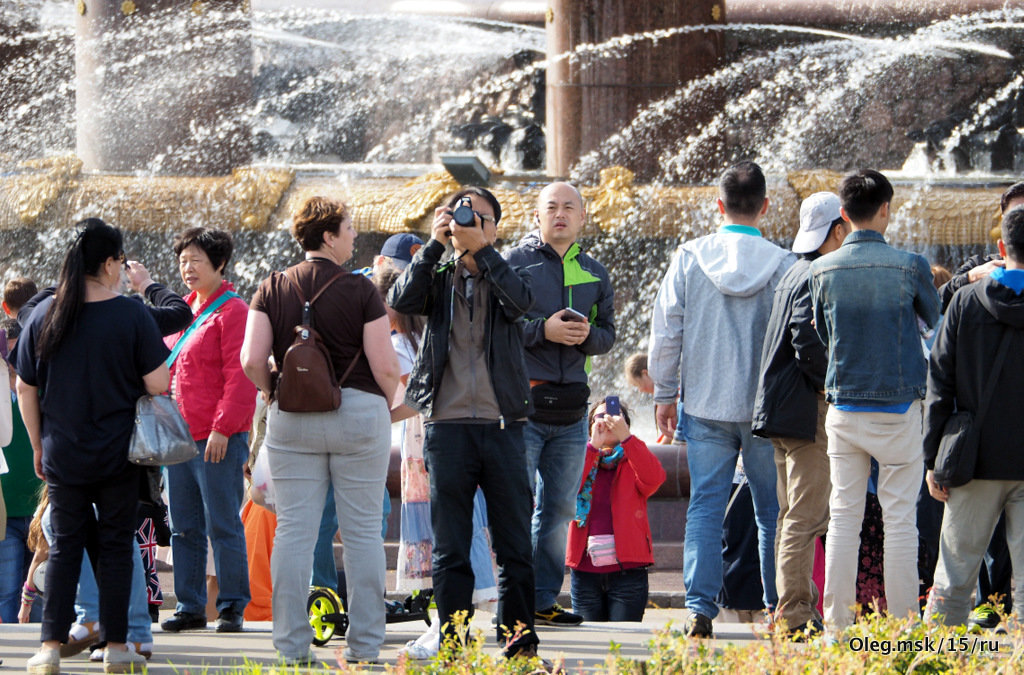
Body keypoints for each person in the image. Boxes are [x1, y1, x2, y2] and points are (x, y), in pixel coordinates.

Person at [241, 195, 399, 665]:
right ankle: (365, 648)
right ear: (328, 236)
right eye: (348, 228)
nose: (353, 235)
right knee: (364, 532)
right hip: (359, 411)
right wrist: (380, 407)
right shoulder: (361, 289)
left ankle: (291, 648)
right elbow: (386, 366)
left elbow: (251, 360)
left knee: (294, 531)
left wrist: (274, 392)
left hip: (293, 415)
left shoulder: (271, 287)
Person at [387, 187, 541, 660]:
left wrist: (484, 252)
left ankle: (518, 646)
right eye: (460, 216)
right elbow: (401, 299)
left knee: (514, 543)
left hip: (503, 426)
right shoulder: (436, 275)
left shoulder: (506, 270)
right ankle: (452, 645)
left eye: (481, 218)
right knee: (451, 548)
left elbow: (521, 305)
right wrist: (434, 245)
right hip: (447, 427)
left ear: (495, 227)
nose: (470, 223)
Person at [14, 218, 169, 675]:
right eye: (120, 261)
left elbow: (26, 386)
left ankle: (48, 647)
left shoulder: (45, 314)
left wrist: (38, 443)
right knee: (118, 546)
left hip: (63, 451)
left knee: (64, 547)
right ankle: (118, 647)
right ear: (107, 262)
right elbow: (158, 383)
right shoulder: (131, 314)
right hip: (120, 453)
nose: (122, 269)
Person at [649, 160, 793, 638]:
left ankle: (699, 608)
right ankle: (777, 606)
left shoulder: (690, 257)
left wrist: (665, 392)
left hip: (707, 403)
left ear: (719, 205)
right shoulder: (785, 264)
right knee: (772, 510)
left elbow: (667, 330)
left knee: (705, 505)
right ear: (765, 207)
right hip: (765, 409)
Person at [809, 169, 940, 635]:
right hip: (901, 409)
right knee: (901, 520)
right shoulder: (911, 266)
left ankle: (837, 630)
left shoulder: (821, 269)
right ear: (886, 209)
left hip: (844, 407)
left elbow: (824, 336)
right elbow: (935, 329)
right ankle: (903, 631)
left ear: (843, 216)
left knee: (844, 517)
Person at [503, 181, 615, 627]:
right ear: (537, 216)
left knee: (559, 511)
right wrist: (540, 331)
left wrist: (589, 337)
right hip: (524, 404)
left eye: (569, 207)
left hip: (571, 413)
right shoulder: (515, 263)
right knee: (516, 504)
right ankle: (514, 600)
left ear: (583, 217)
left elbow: (608, 335)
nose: (560, 214)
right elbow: (499, 327)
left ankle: (543, 598)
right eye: (551, 207)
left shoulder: (596, 272)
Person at [752, 192, 849, 638]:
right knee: (805, 517)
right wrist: (831, 384)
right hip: (805, 411)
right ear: (837, 230)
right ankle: (794, 615)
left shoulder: (793, 270)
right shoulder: (816, 272)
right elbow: (805, 339)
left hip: (780, 409)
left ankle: (790, 606)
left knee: (792, 512)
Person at [923, 205, 1024, 626]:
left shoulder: (964, 302)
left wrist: (933, 461)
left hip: (974, 460)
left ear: (1001, 247)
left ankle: (942, 666)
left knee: (954, 580)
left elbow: (939, 383)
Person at [161, 227, 256, 634]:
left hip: (217, 437)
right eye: (183, 260)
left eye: (196, 260)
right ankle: (189, 605)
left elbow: (241, 375)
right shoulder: (183, 310)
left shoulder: (233, 312)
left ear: (219, 264)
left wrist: (223, 428)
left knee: (223, 522)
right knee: (183, 525)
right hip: (180, 438)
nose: (188, 268)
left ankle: (232, 605)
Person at [566, 399, 665, 621]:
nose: (607, 421)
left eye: (614, 416)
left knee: (623, 640)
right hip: (585, 571)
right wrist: (592, 447)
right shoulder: (581, 455)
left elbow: (655, 479)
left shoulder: (634, 458)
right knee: (590, 644)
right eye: (599, 417)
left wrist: (627, 439)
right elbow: (567, 490)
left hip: (628, 572)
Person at [0, 318, 43, 624]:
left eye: (18, 355)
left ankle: (44, 651)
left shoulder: (39, 391)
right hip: (7, 510)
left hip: (40, 509)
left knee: (41, 588)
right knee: (7, 591)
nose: (13, 363)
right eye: (7, 356)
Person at [936, 181, 1024, 311]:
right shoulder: (979, 266)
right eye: (1016, 215)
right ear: (1002, 221)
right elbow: (935, 303)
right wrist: (970, 277)